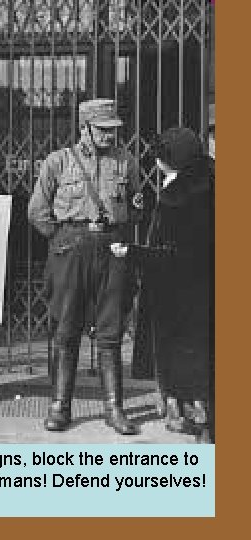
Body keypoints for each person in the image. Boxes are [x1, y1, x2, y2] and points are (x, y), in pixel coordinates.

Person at [28, 98, 141, 435]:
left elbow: (136, 207)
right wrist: (63, 239)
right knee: (66, 329)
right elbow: (37, 210)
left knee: (110, 331)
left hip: (111, 250)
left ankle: (114, 408)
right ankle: (60, 406)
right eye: (102, 130)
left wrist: (125, 218)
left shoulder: (126, 161)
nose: (109, 135)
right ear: (85, 129)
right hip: (70, 250)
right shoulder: (58, 163)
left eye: (113, 129)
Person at [111, 127, 214, 437]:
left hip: (176, 295)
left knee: (181, 359)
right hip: (206, 290)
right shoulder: (210, 182)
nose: (155, 162)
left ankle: (194, 420)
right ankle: (198, 414)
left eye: (159, 157)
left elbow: (170, 254)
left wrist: (131, 251)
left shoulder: (176, 196)